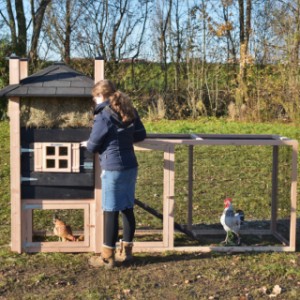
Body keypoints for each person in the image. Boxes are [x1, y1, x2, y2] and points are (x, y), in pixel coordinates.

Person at [81, 79, 146, 269]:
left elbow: (93, 145)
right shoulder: (129, 109)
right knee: (127, 207)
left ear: (101, 96)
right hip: (130, 166)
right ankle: (127, 252)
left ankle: (107, 258)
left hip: (113, 167)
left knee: (110, 211)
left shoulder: (103, 116)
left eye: (95, 98)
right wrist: (123, 138)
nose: (95, 102)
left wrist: (89, 144)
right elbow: (141, 135)